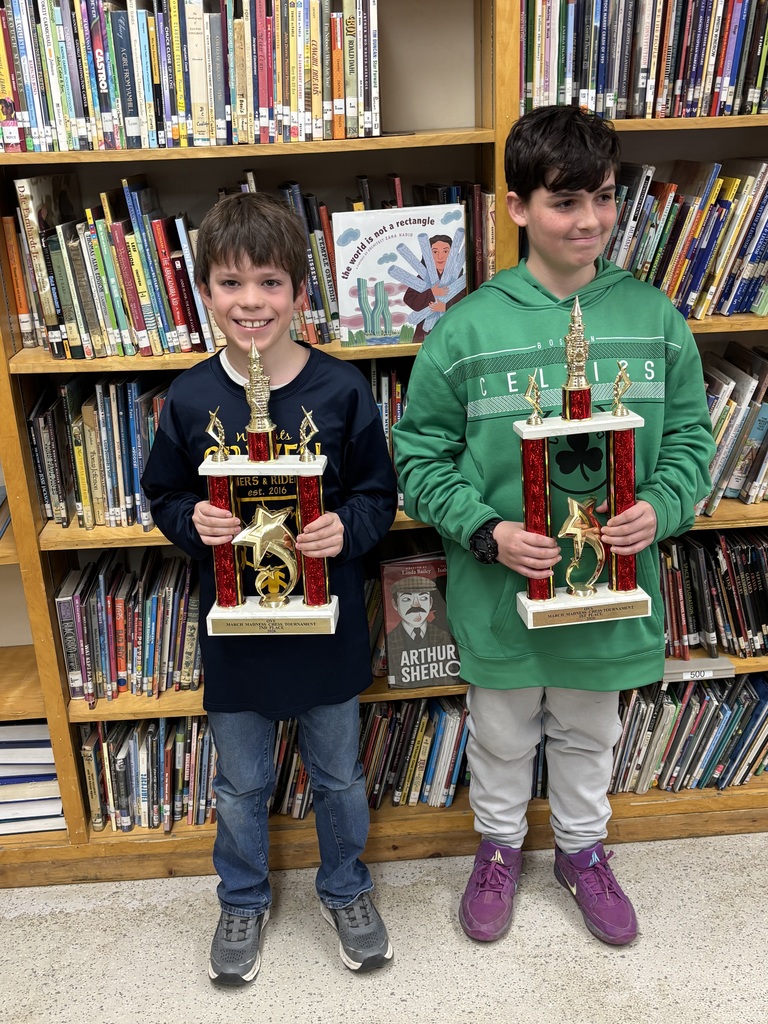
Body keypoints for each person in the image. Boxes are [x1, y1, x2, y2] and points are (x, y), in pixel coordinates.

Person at [392, 105, 715, 947]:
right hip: (502, 591)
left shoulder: (653, 317)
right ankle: (498, 850)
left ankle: (582, 851)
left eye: (603, 198)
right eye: (565, 201)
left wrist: (662, 508)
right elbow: (419, 456)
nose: (589, 220)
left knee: (589, 730)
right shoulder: (465, 328)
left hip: (609, 594)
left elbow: (689, 438)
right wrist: (486, 531)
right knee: (499, 734)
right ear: (518, 208)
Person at [141, 192, 397, 984]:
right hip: (237, 635)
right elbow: (164, 496)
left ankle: (346, 886)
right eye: (230, 284)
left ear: (298, 292)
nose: (250, 302)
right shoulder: (188, 398)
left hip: (326, 631)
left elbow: (376, 496)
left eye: (270, 284)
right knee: (241, 781)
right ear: (205, 293)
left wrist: (343, 531)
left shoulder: (343, 390)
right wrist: (196, 525)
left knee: (339, 777)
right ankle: (243, 897)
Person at [402, 234, 466, 340]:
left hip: (452, 331)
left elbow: (466, 302)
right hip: (424, 334)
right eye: (435, 252)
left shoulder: (458, 279)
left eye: (445, 252)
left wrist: (445, 307)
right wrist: (432, 293)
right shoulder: (424, 276)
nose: (440, 257)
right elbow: (409, 299)